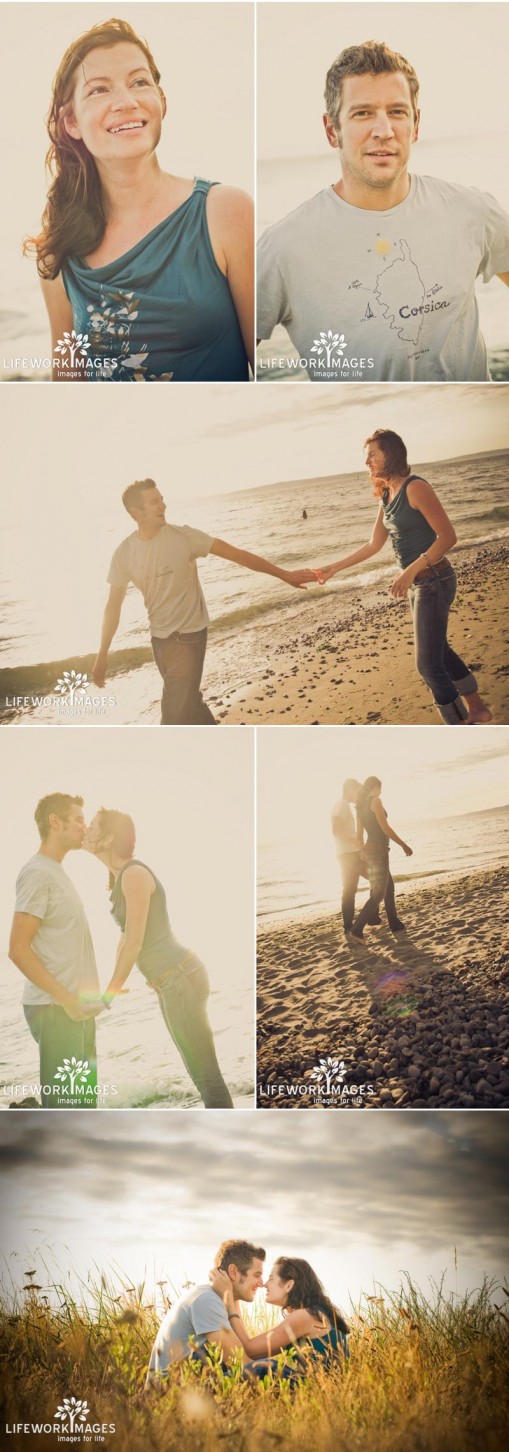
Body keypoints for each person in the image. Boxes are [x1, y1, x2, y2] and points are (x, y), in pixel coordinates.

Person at [257, 40, 509, 382]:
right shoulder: (282, 248)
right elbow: (221, 360)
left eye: (397, 112)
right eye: (362, 113)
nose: (384, 131)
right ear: (333, 130)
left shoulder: (472, 211)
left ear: (416, 124)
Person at [26, 17, 254, 382]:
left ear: (161, 103)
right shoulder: (58, 250)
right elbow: (68, 382)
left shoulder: (226, 212)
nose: (126, 101)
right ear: (71, 122)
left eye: (139, 82)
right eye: (99, 90)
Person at [92, 478, 316, 723]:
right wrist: (102, 654)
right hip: (159, 642)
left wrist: (284, 575)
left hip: (189, 637)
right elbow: (113, 607)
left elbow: (237, 555)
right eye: (155, 502)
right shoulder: (124, 553)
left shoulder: (184, 537)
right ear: (136, 513)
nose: (163, 506)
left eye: (162, 499)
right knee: (190, 705)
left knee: (173, 717)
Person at [318, 429, 492, 724]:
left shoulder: (416, 487)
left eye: (373, 454)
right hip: (419, 582)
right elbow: (374, 544)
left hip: (435, 579)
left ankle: (460, 723)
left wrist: (410, 571)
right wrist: (335, 567)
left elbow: (448, 536)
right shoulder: (386, 494)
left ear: (392, 454)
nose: (367, 462)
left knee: (426, 665)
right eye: (367, 456)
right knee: (439, 650)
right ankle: (477, 709)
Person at [83, 808, 234, 1108]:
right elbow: (125, 937)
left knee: (207, 1077)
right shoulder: (118, 879)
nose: (86, 830)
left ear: (109, 837)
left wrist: (108, 996)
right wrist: (110, 985)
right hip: (169, 980)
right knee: (200, 1076)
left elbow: (134, 943)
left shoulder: (135, 874)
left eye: (92, 825)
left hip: (180, 976)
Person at [8, 794, 102, 1108]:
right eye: (78, 819)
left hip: (75, 1010)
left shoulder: (55, 871)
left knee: (83, 1108)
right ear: (54, 821)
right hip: (57, 1009)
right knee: (65, 1110)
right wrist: (67, 1000)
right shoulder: (38, 873)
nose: (84, 826)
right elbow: (18, 949)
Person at [209, 1255, 349, 1378]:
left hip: (318, 1390)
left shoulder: (303, 1316)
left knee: (265, 1367)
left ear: (289, 1285)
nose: (264, 1284)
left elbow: (249, 1348)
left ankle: (202, 1390)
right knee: (246, 1365)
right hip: (316, 1389)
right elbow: (252, 1353)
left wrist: (227, 1297)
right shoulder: (312, 1314)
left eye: (271, 1278)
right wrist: (234, 1296)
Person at [145, 1240, 266, 1380]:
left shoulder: (219, 1299)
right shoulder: (207, 1300)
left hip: (187, 1382)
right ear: (233, 1272)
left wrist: (231, 1299)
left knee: (264, 1367)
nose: (261, 1283)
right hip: (172, 1391)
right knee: (265, 1369)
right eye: (256, 1275)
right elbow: (241, 1363)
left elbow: (245, 1351)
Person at [332, 778, 404, 935]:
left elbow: (359, 831)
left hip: (355, 853)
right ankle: (365, 924)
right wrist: (357, 842)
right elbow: (337, 831)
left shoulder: (354, 807)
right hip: (358, 853)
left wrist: (361, 847)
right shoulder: (345, 805)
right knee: (382, 887)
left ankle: (353, 925)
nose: (358, 793)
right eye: (356, 790)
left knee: (354, 889)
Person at [350, 777, 412, 941]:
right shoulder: (375, 801)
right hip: (378, 851)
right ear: (376, 787)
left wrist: (362, 851)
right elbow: (385, 827)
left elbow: (359, 835)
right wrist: (403, 845)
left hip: (370, 851)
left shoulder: (359, 807)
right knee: (379, 893)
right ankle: (356, 929)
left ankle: (394, 923)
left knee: (388, 887)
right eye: (380, 788)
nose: (381, 792)